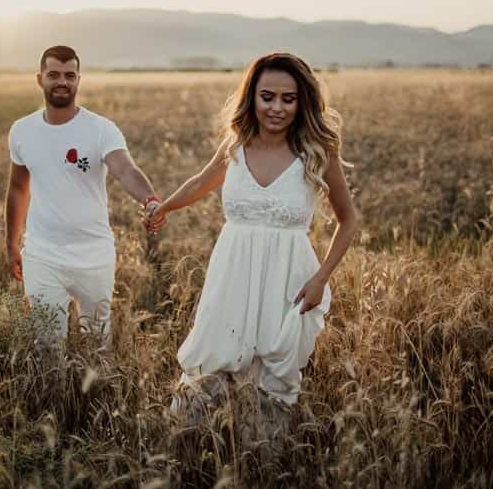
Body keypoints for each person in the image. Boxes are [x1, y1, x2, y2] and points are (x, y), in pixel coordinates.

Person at [148, 52, 359, 408]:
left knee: (274, 372)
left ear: (301, 101)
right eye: (267, 97)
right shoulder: (235, 146)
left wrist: (321, 279)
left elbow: (348, 219)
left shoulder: (317, 152)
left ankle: (264, 455)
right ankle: (196, 445)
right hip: (232, 271)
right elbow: (200, 182)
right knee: (213, 359)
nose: (277, 107)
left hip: (288, 276)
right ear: (252, 97)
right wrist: (164, 207)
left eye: (288, 99)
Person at [6, 45, 162, 344]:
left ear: (79, 79)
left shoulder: (101, 129)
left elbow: (126, 170)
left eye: (69, 75)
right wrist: (11, 244)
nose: (61, 82)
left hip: (94, 254)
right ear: (40, 79)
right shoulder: (22, 130)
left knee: (96, 342)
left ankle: (96, 391)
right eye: (53, 75)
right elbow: (17, 188)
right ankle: (54, 391)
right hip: (42, 254)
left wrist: (150, 200)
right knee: (47, 344)